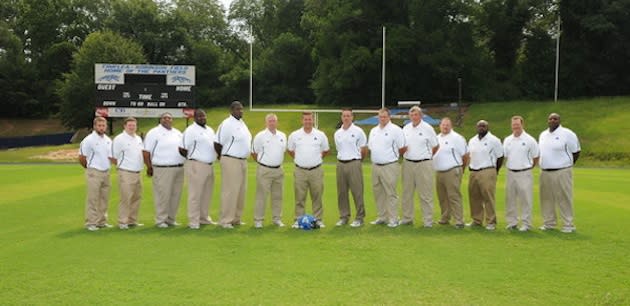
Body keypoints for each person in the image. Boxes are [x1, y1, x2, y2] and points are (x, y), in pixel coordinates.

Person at [539, 113, 580, 233]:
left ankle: (568, 224)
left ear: (559, 120)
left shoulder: (567, 134)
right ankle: (549, 223)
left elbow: (576, 152)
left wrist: (566, 164)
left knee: (564, 198)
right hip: (545, 171)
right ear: (548, 121)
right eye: (550, 119)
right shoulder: (543, 134)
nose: (552, 120)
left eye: (555, 119)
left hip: (562, 171)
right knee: (546, 199)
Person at [288, 112, 330, 228]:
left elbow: (326, 150)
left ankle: (318, 219)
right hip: (300, 170)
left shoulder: (320, 135)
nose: (308, 121)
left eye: (310, 119)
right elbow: (290, 150)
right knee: (299, 197)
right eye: (305, 119)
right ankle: (298, 220)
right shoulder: (294, 135)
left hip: (316, 170)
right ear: (302, 121)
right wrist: (301, 159)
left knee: (317, 196)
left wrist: (315, 159)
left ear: (313, 120)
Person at [143, 112, 185, 228]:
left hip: (179, 167)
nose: (167, 119)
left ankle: (171, 219)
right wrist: (149, 167)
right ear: (160, 120)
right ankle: (161, 220)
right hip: (162, 168)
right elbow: (146, 152)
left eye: (169, 118)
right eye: (164, 118)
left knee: (175, 195)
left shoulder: (177, 133)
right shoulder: (154, 133)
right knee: (163, 195)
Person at [214, 101, 252, 229]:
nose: (240, 111)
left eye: (241, 109)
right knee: (230, 191)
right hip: (231, 159)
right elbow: (217, 143)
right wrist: (222, 156)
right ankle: (225, 220)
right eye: (237, 109)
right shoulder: (227, 124)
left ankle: (236, 218)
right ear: (231, 110)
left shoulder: (241, 123)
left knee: (241, 190)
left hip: (242, 160)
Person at [367, 108, 407, 228]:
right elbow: (371, 147)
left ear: (389, 117)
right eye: (380, 116)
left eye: (384, 116)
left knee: (391, 193)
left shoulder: (396, 130)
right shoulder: (373, 130)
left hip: (390, 165)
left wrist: (391, 157)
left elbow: (403, 148)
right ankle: (382, 217)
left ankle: (393, 218)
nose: (382, 119)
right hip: (375, 165)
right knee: (378, 193)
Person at [179, 109, 218, 230]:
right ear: (194, 118)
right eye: (199, 116)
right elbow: (182, 148)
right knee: (195, 195)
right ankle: (193, 221)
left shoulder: (210, 130)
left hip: (209, 165)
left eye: (204, 116)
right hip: (196, 165)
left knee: (206, 194)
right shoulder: (190, 130)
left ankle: (204, 218)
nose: (202, 118)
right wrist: (193, 159)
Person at [401, 106, 439, 228]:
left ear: (421, 116)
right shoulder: (406, 128)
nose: (414, 117)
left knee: (425, 194)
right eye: (411, 115)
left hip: (424, 164)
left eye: (416, 115)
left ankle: (427, 221)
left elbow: (435, 146)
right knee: (407, 193)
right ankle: (407, 218)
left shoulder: (428, 128)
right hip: (408, 163)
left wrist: (426, 156)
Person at [503, 116, 539, 232]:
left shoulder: (530, 140)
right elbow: (506, 156)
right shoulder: (507, 140)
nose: (515, 127)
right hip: (510, 172)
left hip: (524, 172)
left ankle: (526, 224)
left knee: (525, 199)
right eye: (513, 125)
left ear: (522, 124)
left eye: (517, 124)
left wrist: (528, 167)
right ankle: (512, 222)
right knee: (510, 199)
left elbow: (536, 157)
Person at [466, 120, 504, 231]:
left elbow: (500, 156)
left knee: (488, 197)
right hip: (473, 171)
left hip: (487, 170)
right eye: (479, 126)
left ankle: (491, 221)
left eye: (483, 126)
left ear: (487, 127)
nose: (481, 127)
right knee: (474, 197)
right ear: (476, 127)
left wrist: (495, 170)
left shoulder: (494, 140)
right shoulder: (472, 140)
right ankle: (477, 220)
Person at [252, 113, 287, 228]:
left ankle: (277, 219)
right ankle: (258, 220)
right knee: (261, 196)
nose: (272, 123)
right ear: (266, 122)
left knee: (278, 196)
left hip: (279, 170)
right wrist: (262, 164)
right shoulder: (260, 136)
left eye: (274, 121)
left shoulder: (282, 135)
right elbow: (254, 152)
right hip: (265, 170)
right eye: (270, 121)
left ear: (277, 122)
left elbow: (283, 151)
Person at [334, 108, 367, 227]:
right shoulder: (337, 133)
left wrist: (357, 161)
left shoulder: (358, 131)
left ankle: (359, 218)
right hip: (340, 164)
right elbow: (339, 149)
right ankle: (344, 216)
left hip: (354, 163)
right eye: (344, 116)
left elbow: (363, 149)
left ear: (352, 117)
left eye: (348, 116)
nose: (346, 118)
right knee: (341, 192)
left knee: (357, 191)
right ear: (341, 117)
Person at [79, 116, 113, 231]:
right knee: (93, 198)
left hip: (106, 171)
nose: (102, 128)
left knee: (104, 198)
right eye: (99, 125)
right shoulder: (88, 140)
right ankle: (91, 223)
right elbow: (82, 157)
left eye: (103, 125)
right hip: (94, 171)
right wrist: (89, 168)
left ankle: (101, 221)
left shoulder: (108, 140)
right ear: (94, 126)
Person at [434, 117, 468, 229]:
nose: (445, 127)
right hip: (439, 171)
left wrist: (461, 169)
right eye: (443, 125)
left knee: (454, 196)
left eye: (447, 125)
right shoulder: (436, 138)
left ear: (451, 126)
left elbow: (465, 155)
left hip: (452, 170)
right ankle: (445, 218)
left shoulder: (457, 138)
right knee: (442, 196)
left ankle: (459, 220)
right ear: (440, 126)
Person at [111, 117, 144, 230]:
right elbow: (113, 157)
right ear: (124, 126)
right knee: (126, 198)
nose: (132, 127)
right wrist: (121, 167)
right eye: (129, 125)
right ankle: (122, 221)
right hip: (125, 172)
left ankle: (132, 220)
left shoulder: (138, 138)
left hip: (138, 171)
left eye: (134, 125)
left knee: (136, 197)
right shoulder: (119, 139)